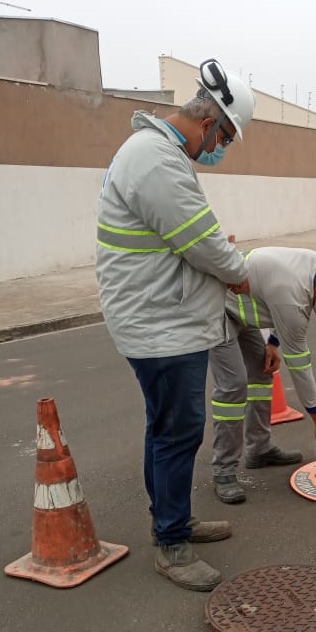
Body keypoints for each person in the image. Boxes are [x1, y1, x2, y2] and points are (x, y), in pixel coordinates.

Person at [95, 58, 255, 591]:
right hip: (158, 324)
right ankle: (171, 545)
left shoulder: (157, 155)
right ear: (209, 122)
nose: (221, 150)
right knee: (177, 430)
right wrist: (240, 274)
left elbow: (187, 237)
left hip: (164, 316)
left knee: (167, 428)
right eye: (225, 139)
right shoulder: (156, 160)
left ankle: (175, 521)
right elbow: (202, 241)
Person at [209, 247, 316, 504]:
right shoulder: (293, 296)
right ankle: (224, 471)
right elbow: (299, 364)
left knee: (262, 376)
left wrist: (273, 343)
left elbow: (279, 306)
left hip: (247, 313)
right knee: (233, 385)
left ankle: (259, 449)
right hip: (219, 309)